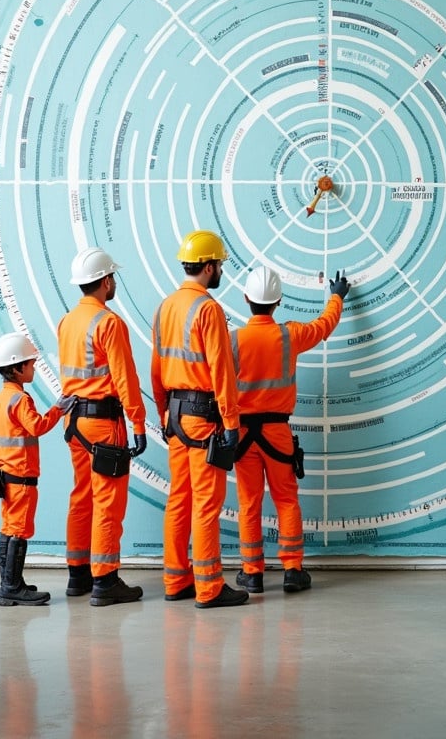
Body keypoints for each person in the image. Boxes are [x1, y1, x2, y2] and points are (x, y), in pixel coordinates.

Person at [231, 265, 350, 594]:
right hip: (277, 435)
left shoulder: (232, 341)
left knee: (248, 503)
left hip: (241, 437)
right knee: (286, 500)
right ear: (278, 300)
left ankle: (251, 573)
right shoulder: (290, 335)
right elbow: (324, 327)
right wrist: (336, 297)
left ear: (246, 298)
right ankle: (293, 570)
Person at [151, 230, 248, 609]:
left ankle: (176, 581)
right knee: (207, 503)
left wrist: (163, 411)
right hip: (204, 416)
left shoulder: (165, 307)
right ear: (209, 267)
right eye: (220, 265)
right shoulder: (208, 309)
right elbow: (222, 370)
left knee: (179, 500)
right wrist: (231, 421)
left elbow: (156, 366)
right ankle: (208, 587)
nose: (220, 270)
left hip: (175, 416)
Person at [58, 246, 147, 607]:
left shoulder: (67, 321)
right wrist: (138, 423)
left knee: (81, 497)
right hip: (103, 424)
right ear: (106, 280)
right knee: (107, 503)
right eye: (114, 278)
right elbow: (125, 378)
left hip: (74, 424)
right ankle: (106, 580)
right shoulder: (109, 323)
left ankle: (77, 574)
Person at [0, 331, 65, 606]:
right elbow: (37, 426)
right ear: (17, 367)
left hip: (5, 477)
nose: (33, 367)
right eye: (30, 363)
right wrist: (59, 409)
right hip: (21, 478)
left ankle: (10, 583)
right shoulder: (20, 400)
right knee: (19, 531)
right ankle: (12, 588)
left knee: (8, 528)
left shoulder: (0, 399)